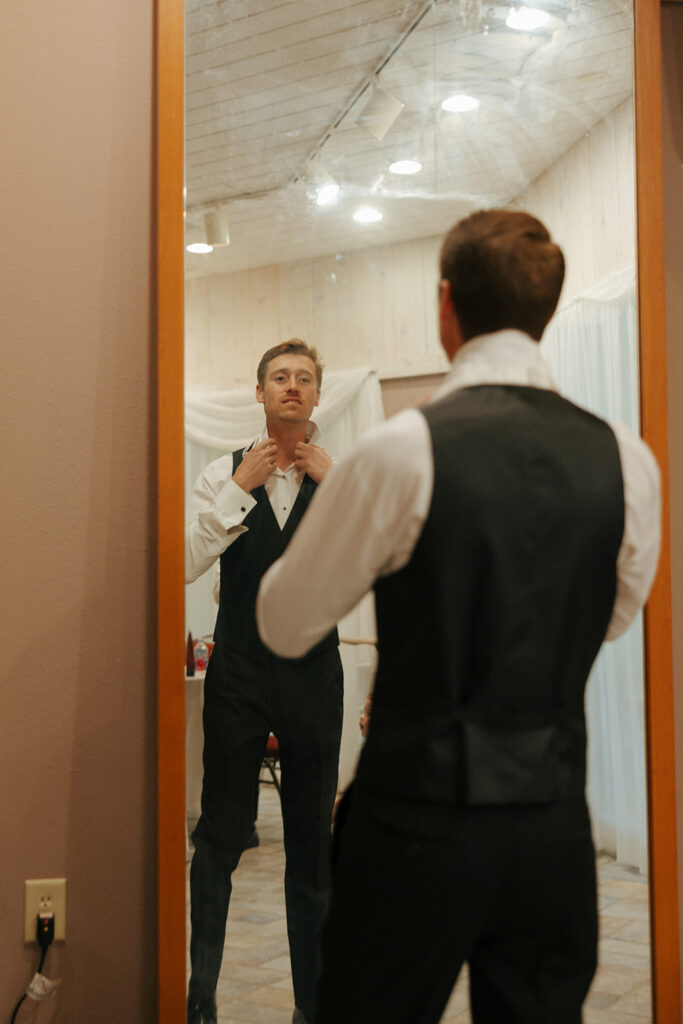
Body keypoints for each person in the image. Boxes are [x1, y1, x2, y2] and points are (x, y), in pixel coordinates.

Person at [256, 210, 661, 1024]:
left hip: (414, 819)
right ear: (544, 311)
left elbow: (282, 623)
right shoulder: (625, 456)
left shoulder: (396, 450)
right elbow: (611, 617)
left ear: (446, 306)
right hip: (551, 819)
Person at [185, 339, 344, 1024]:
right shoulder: (219, 474)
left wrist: (337, 490)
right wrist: (237, 489)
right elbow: (183, 563)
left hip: (314, 674)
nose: (290, 387)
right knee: (219, 840)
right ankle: (199, 1002)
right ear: (259, 393)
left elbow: (374, 569)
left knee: (311, 848)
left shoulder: (345, 476)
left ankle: (313, 1011)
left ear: (316, 396)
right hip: (238, 676)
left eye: (303, 379)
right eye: (278, 377)